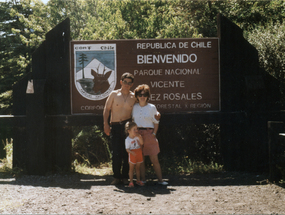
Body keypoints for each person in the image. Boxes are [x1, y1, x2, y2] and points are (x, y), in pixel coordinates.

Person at [103, 73, 160, 185]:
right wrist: (105, 124)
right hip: (114, 125)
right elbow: (106, 109)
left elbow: (144, 105)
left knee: (127, 152)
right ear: (121, 82)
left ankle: (125, 177)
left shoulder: (133, 96)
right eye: (125, 82)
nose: (127, 84)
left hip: (127, 127)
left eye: (129, 83)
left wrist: (157, 113)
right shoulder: (114, 94)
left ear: (132, 84)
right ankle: (116, 177)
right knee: (116, 153)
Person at [132, 84, 168, 185]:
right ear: (137, 96)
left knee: (154, 159)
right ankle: (143, 179)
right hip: (137, 134)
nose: (142, 97)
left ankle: (160, 180)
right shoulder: (134, 107)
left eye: (144, 94)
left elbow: (156, 122)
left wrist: (154, 134)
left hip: (149, 133)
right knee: (141, 159)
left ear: (147, 96)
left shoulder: (152, 107)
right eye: (139, 95)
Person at [125, 121, 144, 187]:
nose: (136, 131)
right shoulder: (127, 139)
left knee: (138, 168)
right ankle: (131, 182)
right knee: (131, 169)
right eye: (134, 129)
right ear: (129, 131)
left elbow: (141, 143)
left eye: (137, 129)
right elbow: (127, 149)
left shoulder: (137, 137)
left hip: (138, 152)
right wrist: (131, 152)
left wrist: (140, 137)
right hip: (132, 154)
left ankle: (138, 180)